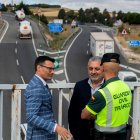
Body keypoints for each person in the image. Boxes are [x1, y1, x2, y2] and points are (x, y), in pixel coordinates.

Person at [81, 53, 132, 140]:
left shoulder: (102, 93)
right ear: (118, 69)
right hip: (123, 135)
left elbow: (84, 115)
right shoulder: (126, 87)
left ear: (103, 69)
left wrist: (95, 114)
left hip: (105, 136)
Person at [24, 56, 72, 140]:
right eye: (49, 69)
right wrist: (56, 128)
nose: (52, 72)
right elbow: (31, 117)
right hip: (38, 137)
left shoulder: (41, 84)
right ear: (39, 68)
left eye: (53, 69)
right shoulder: (36, 87)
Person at [68, 56, 104, 140]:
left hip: (103, 135)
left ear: (103, 69)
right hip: (82, 135)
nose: (93, 72)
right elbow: (72, 112)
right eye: (90, 69)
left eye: (97, 69)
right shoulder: (79, 86)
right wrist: (74, 133)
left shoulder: (109, 87)